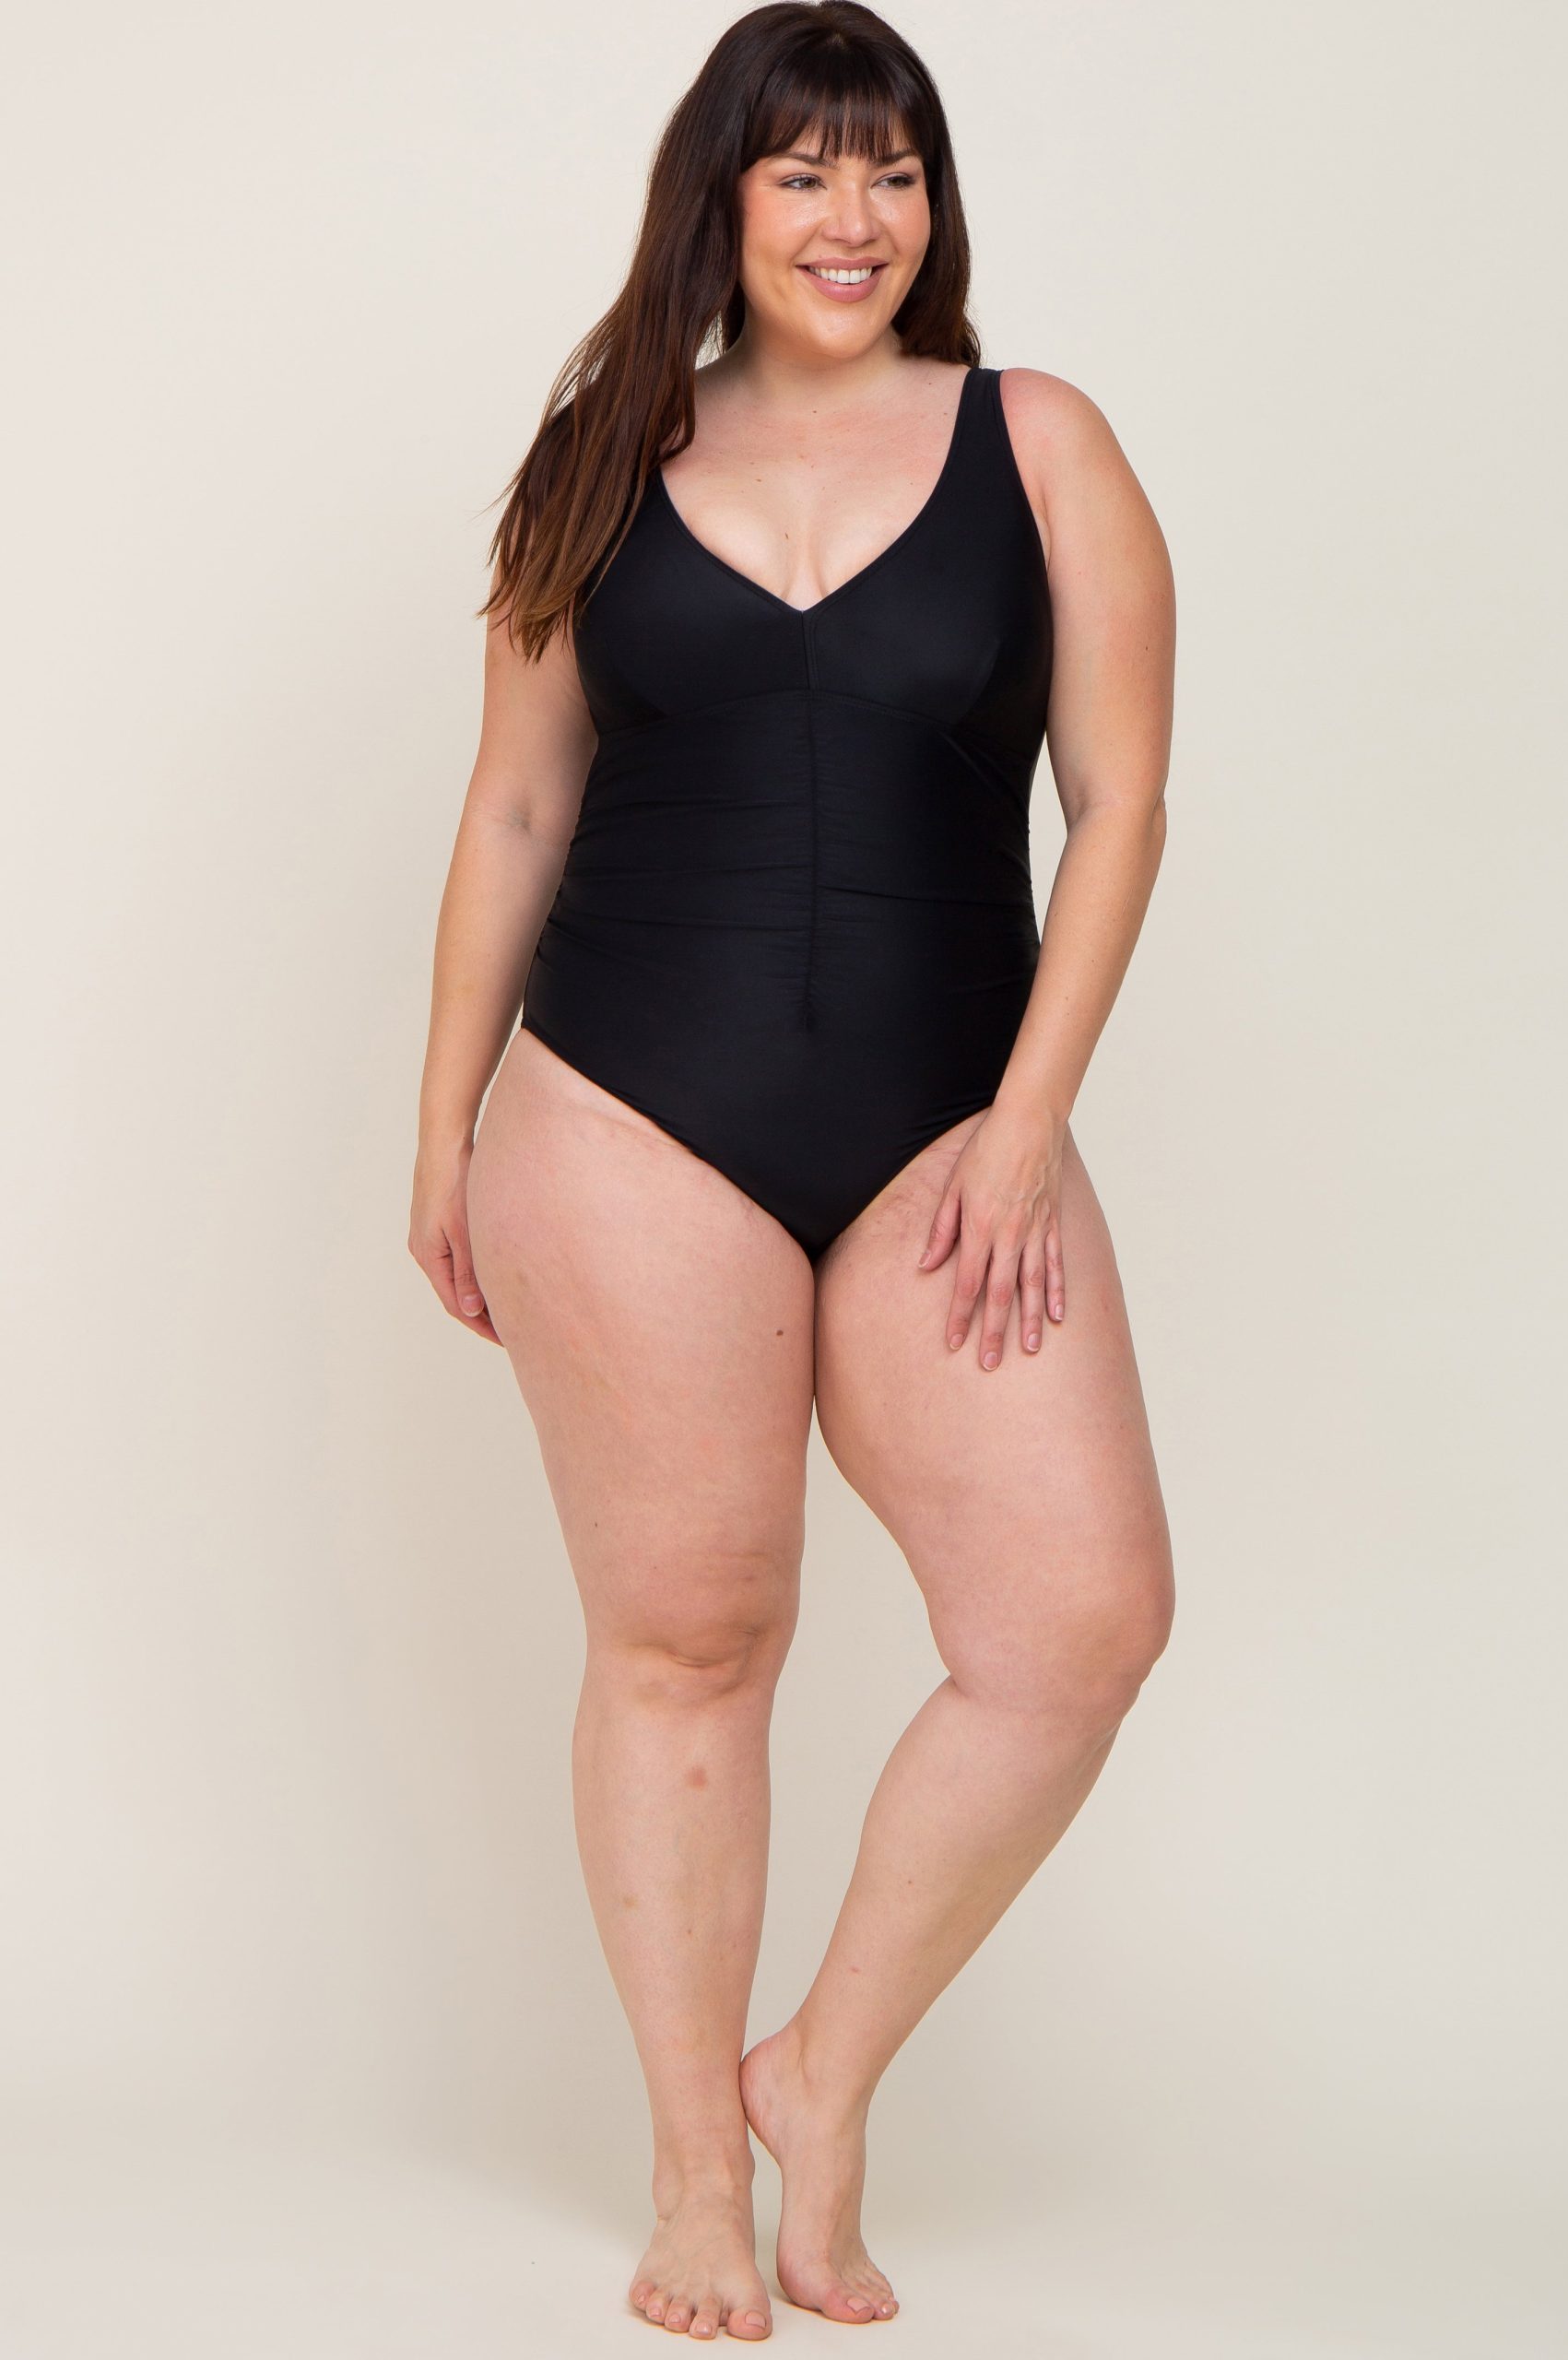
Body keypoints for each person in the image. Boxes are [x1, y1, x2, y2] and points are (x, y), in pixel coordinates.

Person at [410, 1, 1176, 2339]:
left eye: (894, 171)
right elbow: (517, 801)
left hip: (952, 1120)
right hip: (629, 1109)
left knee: (1073, 1627)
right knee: (687, 1637)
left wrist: (1027, 1122)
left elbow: (1118, 802)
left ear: (935, 204)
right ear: (722, 202)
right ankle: (689, 2177)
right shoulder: (603, 453)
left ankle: (813, 2073)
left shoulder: (1041, 442)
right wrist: (437, 1125)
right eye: (806, 172)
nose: (856, 218)